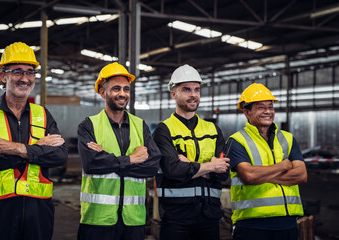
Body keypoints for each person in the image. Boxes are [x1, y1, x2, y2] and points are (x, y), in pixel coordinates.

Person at [0, 42, 68, 240]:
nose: (25, 78)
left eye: (30, 72)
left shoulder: (43, 115)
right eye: (17, 71)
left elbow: (59, 155)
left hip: (39, 212)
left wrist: (16, 149)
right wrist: (37, 151)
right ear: (3, 76)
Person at [77, 62, 161, 240]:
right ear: (102, 92)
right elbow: (91, 164)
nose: (122, 94)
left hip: (134, 220)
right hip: (97, 220)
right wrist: (132, 159)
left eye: (126, 89)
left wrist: (108, 160)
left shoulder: (140, 126)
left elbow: (152, 166)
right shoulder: (89, 125)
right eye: (116, 89)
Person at [153, 64, 230, 240]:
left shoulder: (213, 130)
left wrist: (189, 166)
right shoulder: (164, 130)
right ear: (174, 94)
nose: (193, 94)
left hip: (209, 216)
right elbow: (173, 171)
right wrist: (210, 166)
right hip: (176, 217)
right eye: (186, 89)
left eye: (196, 89)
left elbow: (222, 174)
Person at [227, 83, 307, 240]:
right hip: (252, 224)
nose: (268, 112)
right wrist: (283, 166)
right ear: (247, 112)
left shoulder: (288, 139)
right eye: (261, 107)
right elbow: (249, 176)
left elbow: (301, 175)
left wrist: (262, 175)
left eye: (270, 107)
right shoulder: (236, 141)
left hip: (288, 222)